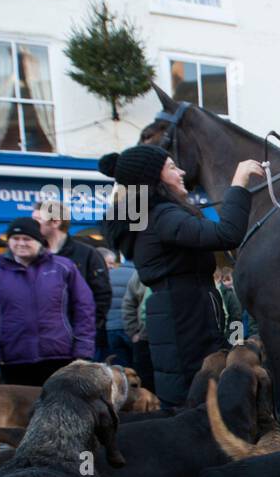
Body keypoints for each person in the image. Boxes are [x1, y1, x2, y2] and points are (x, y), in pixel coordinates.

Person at [99, 144, 263, 407]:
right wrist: (238, 183)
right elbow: (226, 234)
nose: (182, 171)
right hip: (187, 320)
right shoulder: (162, 216)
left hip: (183, 316)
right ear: (154, 177)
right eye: (172, 167)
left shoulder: (154, 215)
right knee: (196, 403)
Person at [0, 219, 94, 388]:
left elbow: (84, 308)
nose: (21, 243)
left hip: (60, 356)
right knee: (20, 414)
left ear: (39, 241)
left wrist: (83, 347)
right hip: (13, 358)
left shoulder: (63, 267)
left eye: (27, 239)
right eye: (15, 238)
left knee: (59, 412)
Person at [34, 198, 111, 345]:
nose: (32, 225)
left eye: (37, 220)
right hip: (40, 339)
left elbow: (102, 295)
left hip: (76, 338)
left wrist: (87, 330)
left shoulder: (87, 254)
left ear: (55, 222)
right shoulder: (34, 255)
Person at [101, 247, 135, 367]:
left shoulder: (108, 276)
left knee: (119, 366)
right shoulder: (138, 274)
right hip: (131, 329)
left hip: (111, 328)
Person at [122, 269, 154, 392]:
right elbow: (128, 304)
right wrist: (134, 332)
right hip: (144, 338)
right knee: (145, 381)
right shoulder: (139, 274)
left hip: (171, 337)